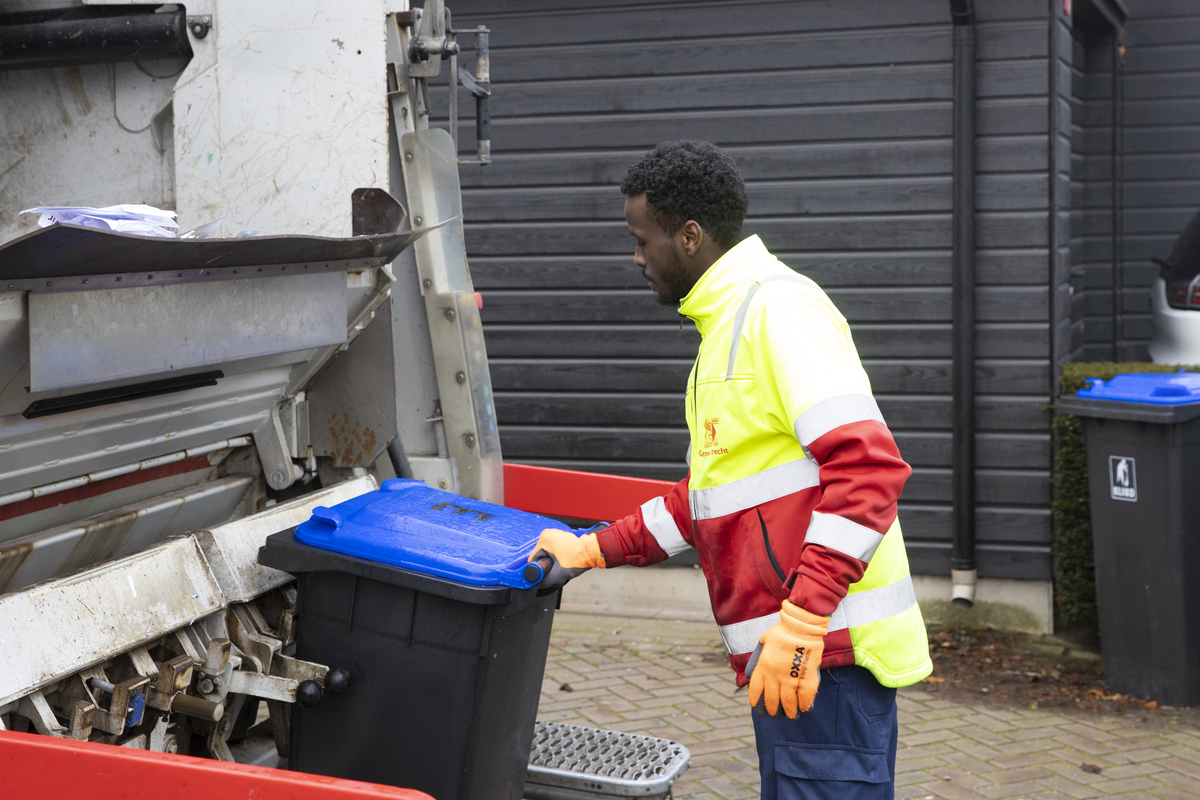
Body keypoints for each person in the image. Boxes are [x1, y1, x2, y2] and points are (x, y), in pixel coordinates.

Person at [530, 140, 932, 800]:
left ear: (689, 237)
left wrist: (803, 622)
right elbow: (712, 499)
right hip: (797, 655)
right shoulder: (728, 328)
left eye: (643, 240)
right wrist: (590, 548)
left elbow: (868, 469)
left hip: (824, 655)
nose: (636, 258)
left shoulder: (775, 313)